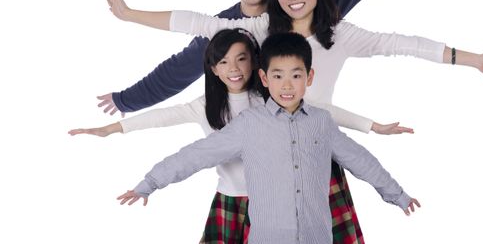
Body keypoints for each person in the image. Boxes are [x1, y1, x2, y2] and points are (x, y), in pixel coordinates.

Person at [101, 0, 443, 241]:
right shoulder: (229, 32)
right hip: (253, 157)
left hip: (311, 149)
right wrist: (126, 99)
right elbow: (179, 68)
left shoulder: (307, 5)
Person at [70, 29, 412, 243]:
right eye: (278, 75)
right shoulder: (247, 123)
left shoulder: (321, 122)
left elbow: (360, 160)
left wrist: (396, 193)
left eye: (295, 75)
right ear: (264, 78)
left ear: (309, 77)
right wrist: (150, 182)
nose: (287, 84)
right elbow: (196, 154)